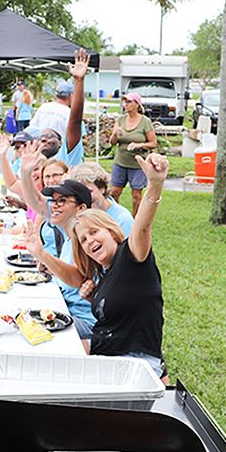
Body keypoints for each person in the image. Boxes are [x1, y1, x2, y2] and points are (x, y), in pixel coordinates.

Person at [72, 153, 169, 381]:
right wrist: (92, 298)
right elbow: (119, 312)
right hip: (106, 356)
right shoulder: (105, 272)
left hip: (133, 364)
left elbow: (143, 227)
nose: (90, 241)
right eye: (84, 240)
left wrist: (155, 184)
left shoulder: (132, 255)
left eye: (94, 232)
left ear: (111, 230)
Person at [22, 171, 96, 340]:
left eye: (62, 201)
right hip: (64, 307)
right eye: (54, 201)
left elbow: (77, 279)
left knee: (27, 327)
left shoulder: (86, 239)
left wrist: (42, 255)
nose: (54, 206)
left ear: (81, 208)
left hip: (83, 320)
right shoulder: (68, 237)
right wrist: (51, 267)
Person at [109, 92, 157, 216]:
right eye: (125, 102)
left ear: (137, 104)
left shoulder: (145, 121)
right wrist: (115, 134)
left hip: (137, 164)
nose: (126, 104)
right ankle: (116, 217)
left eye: (129, 102)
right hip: (120, 161)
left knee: (136, 195)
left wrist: (139, 145)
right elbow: (112, 143)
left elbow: (153, 143)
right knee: (114, 192)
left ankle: (135, 221)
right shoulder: (120, 120)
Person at [69, 162, 134, 235]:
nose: (84, 198)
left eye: (89, 191)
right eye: (78, 193)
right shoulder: (76, 217)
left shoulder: (122, 220)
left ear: (102, 188)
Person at [29, 78, 74, 143]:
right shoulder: (68, 112)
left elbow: (32, 126)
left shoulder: (44, 107)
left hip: (41, 146)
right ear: (70, 96)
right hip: (58, 149)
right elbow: (72, 135)